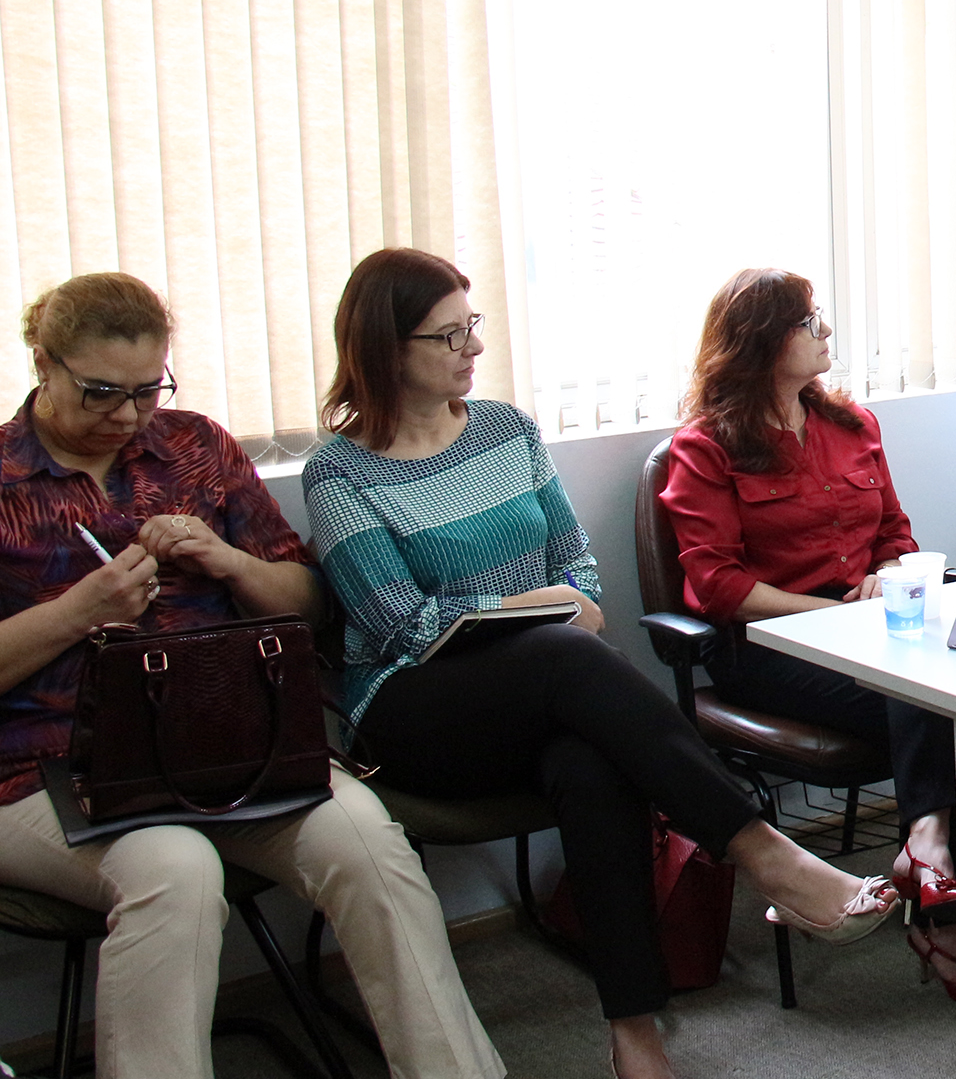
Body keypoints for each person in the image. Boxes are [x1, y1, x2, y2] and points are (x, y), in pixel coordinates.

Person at [304, 249, 898, 1079]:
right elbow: (401, 624)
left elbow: (579, 571)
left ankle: (634, 1031)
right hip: (412, 711)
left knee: (590, 762)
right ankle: (766, 852)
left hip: (548, 691)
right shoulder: (340, 471)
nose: (474, 347)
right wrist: (536, 608)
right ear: (384, 347)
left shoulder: (508, 430)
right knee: (562, 651)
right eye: (449, 335)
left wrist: (554, 603)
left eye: (473, 325)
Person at [0, 272, 502, 1078]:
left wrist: (228, 562)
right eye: (101, 392)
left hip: (230, 748)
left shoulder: (196, 447)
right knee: (175, 869)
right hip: (47, 772)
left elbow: (308, 604)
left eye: (147, 390)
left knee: (365, 840)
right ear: (42, 363)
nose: (128, 415)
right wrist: (79, 612)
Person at [660, 268, 956, 1001]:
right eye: (807, 321)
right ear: (761, 341)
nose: (824, 330)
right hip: (768, 647)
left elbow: (895, 533)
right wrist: (830, 617)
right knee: (925, 683)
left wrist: (886, 575)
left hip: (868, 623)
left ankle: (935, 852)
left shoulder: (852, 425)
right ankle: (939, 879)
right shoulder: (706, 447)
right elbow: (719, 586)